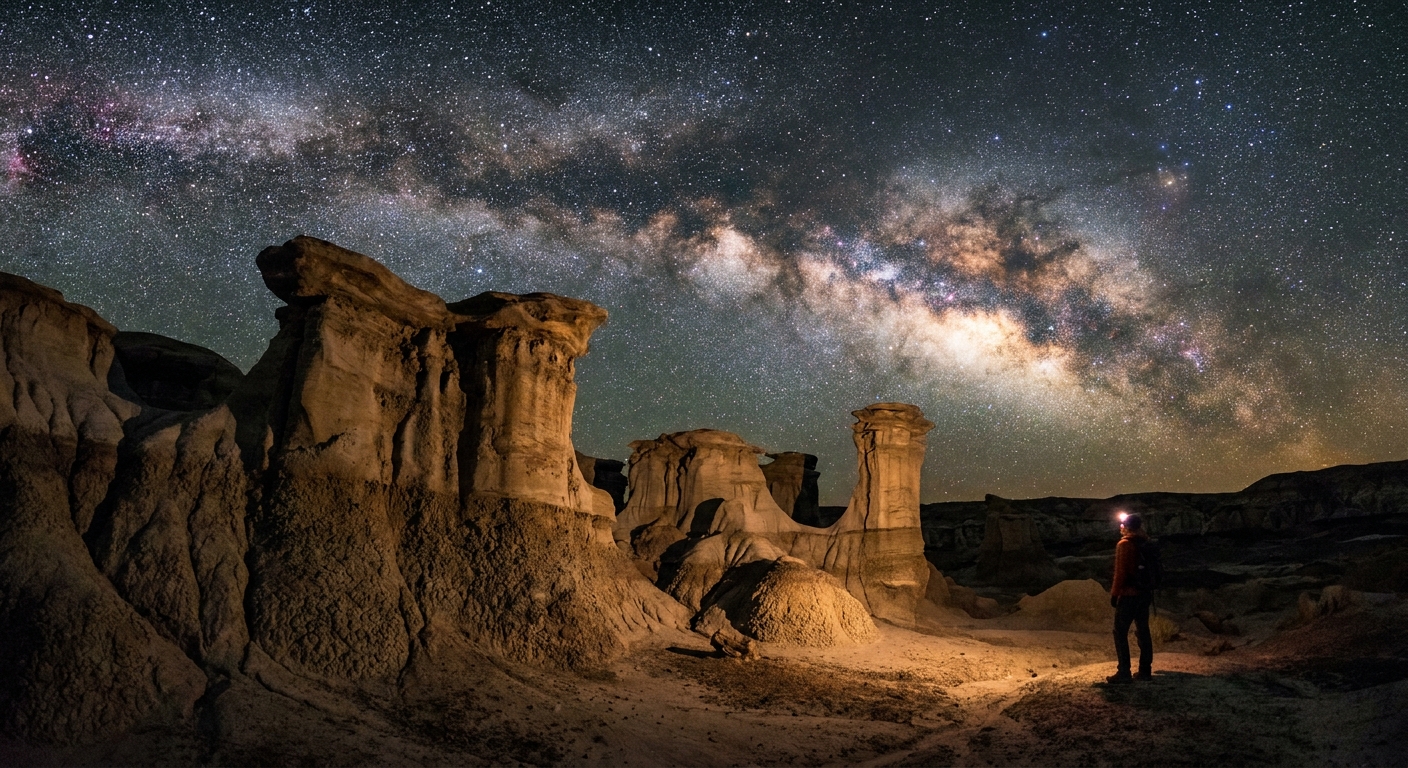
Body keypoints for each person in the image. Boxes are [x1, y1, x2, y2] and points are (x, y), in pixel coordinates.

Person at [1108, 512, 1153, 683]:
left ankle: (1124, 672)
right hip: (1145, 594)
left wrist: (1114, 594)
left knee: (1120, 632)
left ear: (1126, 526)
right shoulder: (1145, 542)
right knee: (1143, 631)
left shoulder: (1124, 544)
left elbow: (1120, 573)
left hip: (1129, 595)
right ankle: (1145, 671)